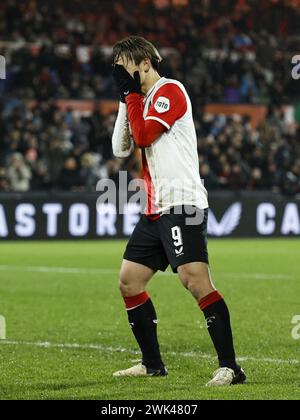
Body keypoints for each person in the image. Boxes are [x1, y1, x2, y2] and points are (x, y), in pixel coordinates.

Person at [111, 36, 246, 386]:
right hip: (156, 207)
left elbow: (142, 136)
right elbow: (120, 145)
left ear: (144, 63)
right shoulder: (139, 99)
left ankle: (231, 368)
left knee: (195, 280)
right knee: (129, 281)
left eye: (124, 65)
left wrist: (131, 97)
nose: (121, 72)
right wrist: (126, 100)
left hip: (181, 203)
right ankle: (152, 364)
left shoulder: (170, 91)